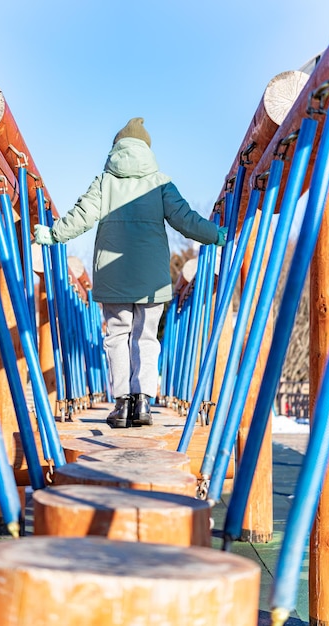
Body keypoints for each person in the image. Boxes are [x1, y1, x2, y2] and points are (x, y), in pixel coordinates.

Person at [34, 117, 227, 429]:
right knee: (146, 338)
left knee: (117, 336)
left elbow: (81, 216)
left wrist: (54, 234)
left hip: (113, 276)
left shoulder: (104, 182)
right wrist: (214, 235)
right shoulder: (161, 183)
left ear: (116, 148)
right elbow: (186, 219)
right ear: (146, 150)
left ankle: (122, 404)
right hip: (153, 280)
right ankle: (144, 403)